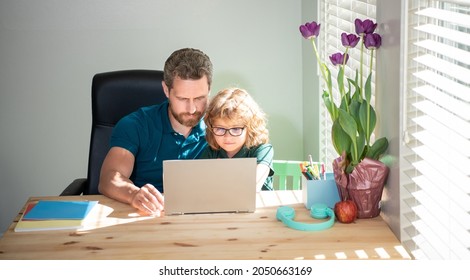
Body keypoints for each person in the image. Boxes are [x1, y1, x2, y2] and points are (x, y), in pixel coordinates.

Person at [98, 48, 213, 217]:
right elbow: (109, 178)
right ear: (166, 90)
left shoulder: (221, 127)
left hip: (205, 217)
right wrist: (134, 194)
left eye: (199, 98)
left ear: (209, 90)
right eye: (182, 99)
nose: (192, 109)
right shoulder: (135, 125)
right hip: (148, 216)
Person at [200, 88, 274, 191]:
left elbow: (253, 187)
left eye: (235, 129)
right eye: (220, 129)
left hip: (260, 206)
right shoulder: (211, 152)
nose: (227, 137)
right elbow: (202, 187)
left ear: (251, 127)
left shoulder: (263, 150)